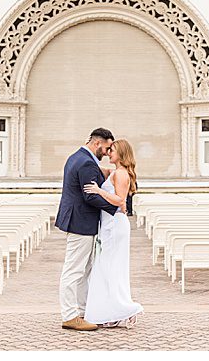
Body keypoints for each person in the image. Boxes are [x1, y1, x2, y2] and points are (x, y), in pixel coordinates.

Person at [55, 128, 117, 331]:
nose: (108, 153)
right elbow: (89, 195)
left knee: (84, 269)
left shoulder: (77, 157)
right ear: (98, 143)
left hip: (80, 220)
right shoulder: (86, 162)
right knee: (74, 270)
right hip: (80, 222)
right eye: (107, 148)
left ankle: (82, 311)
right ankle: (70, 315)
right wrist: (117, 207)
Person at [82, 138, 144, 327]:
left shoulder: (122, 174)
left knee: (111, 267)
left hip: (115, 225)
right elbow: (96, 167)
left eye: (113, 150)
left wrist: (98, 191)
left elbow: (119, 200)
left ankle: (122, 307)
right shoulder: (115, 172)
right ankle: (111, 311)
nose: (109, 153)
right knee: (106, 268)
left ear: (122, 153)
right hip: (109, 224)